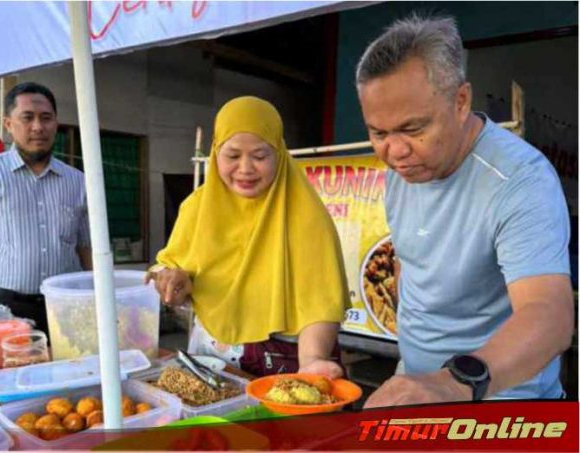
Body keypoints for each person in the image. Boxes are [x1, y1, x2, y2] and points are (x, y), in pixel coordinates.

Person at [354, 16, 573, 406]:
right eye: (379, 133)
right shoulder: (402, 171)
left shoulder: (520, 180)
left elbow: (549, 316)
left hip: (503, 406)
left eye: (413, 128)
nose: (396, 151)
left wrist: (454, 383)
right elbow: (409, 261)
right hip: (417, 388)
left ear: (460, 101)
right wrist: (412, 372)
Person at [147, 96, 350, 378]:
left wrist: (313, 359)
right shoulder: (196, 207)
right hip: (211, 358)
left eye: (259, 156)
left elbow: (322, 302)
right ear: (216, 152)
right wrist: (169, 280)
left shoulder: (306, 215)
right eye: (232, 156)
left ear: (279, 153)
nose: (245, 169)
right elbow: (165, 266)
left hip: (288, 362)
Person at [0, 82, 92, 336]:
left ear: (56, 123)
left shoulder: (78, 181)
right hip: (4, 307)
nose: (38, 127)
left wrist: (96, 298)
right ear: (8, 125)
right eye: (27, 118)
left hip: (67, 307)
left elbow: (87, 246)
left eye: (46, 118)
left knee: (70, 371)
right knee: (5, 374)